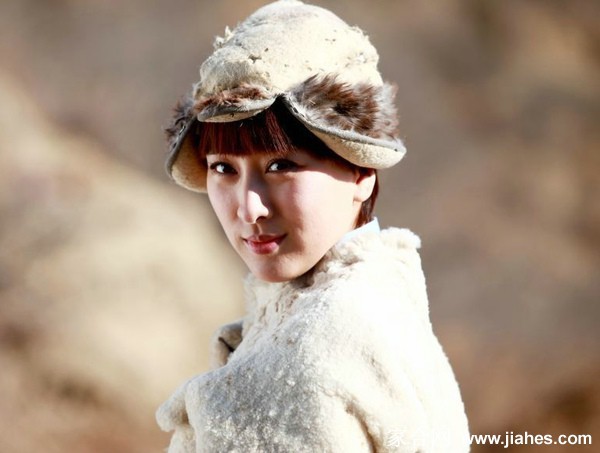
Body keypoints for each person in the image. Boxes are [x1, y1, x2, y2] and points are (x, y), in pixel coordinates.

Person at [156, 1, 470, 451]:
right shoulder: (385, 300)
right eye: (223, 168)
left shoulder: (307, 359)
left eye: (281, 165)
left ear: (361, 173)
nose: (249, 208)